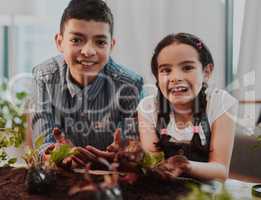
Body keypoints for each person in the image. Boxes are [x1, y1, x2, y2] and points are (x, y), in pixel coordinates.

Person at [31, 0, 143, 158]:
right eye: (76, 40)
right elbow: (42, 144)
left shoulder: (130, 84)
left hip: (110, 173)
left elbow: (132, 149)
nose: (88, 51)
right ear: (60, 42)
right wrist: (54, 153)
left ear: (111, 45)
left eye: (100, 42)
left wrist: (124, 152)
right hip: (61, 174)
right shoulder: (44, 77)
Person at [138, 33, 238, 181]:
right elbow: (153, 163)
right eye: (166, 70)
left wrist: (184, 166)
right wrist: (127, 157)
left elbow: (220, 172)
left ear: (206, 72)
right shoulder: (148, 107)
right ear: (157, 77)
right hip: (163, 189)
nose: (175, 78)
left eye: (187, 67)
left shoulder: (220, 103)